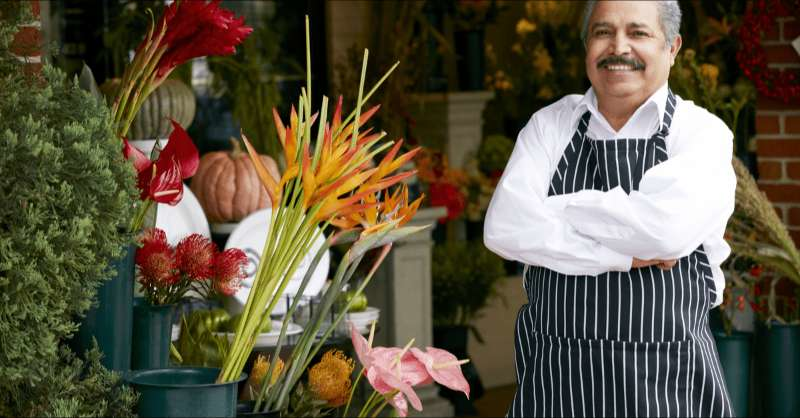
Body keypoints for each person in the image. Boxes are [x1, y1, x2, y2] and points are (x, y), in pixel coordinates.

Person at [483, 1, 736, 416]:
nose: (618, 47)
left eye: (638, 33)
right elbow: (504, 228)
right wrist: (622, 252)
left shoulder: (702, 134)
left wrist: (556, 208)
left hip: (668, 387)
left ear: (672, 47)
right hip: (556, 386)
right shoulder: (550, 126)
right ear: (586, 45)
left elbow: (663, 233)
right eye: (603, 32)